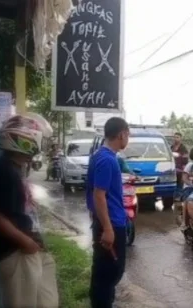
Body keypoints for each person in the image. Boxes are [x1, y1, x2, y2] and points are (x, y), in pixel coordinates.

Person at [0, 115, 58, 307]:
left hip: (26, 250)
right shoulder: (4, 172)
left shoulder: (14, 169)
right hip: (15, 253)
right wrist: (26, 242)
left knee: (46, 301)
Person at [86, 117, 130, 308]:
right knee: (111, 272)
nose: (128, 139)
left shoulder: (101, 156)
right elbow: (98, 195)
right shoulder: (106, 160)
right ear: (121, 134)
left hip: (107, 221)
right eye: (128, 135)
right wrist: (108, 228)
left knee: (105, 274)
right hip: (111, 224)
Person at [180, 146, 193, 230]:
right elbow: (184, 178)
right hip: (189, 188)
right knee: (187, 201)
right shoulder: (190, 165)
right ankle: (184, 222)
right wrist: (192, 184)